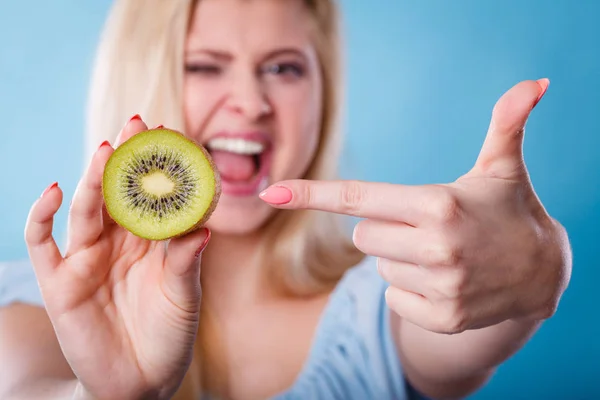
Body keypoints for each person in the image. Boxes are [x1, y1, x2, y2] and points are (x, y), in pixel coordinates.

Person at [0, 0, 572, 399]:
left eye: (282, 67)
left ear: (325, 92)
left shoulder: (383, 299)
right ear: (138, 75)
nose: (250, 102)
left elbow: (464, 328)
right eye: (203, 65)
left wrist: (536, 265)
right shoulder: (39, 310)